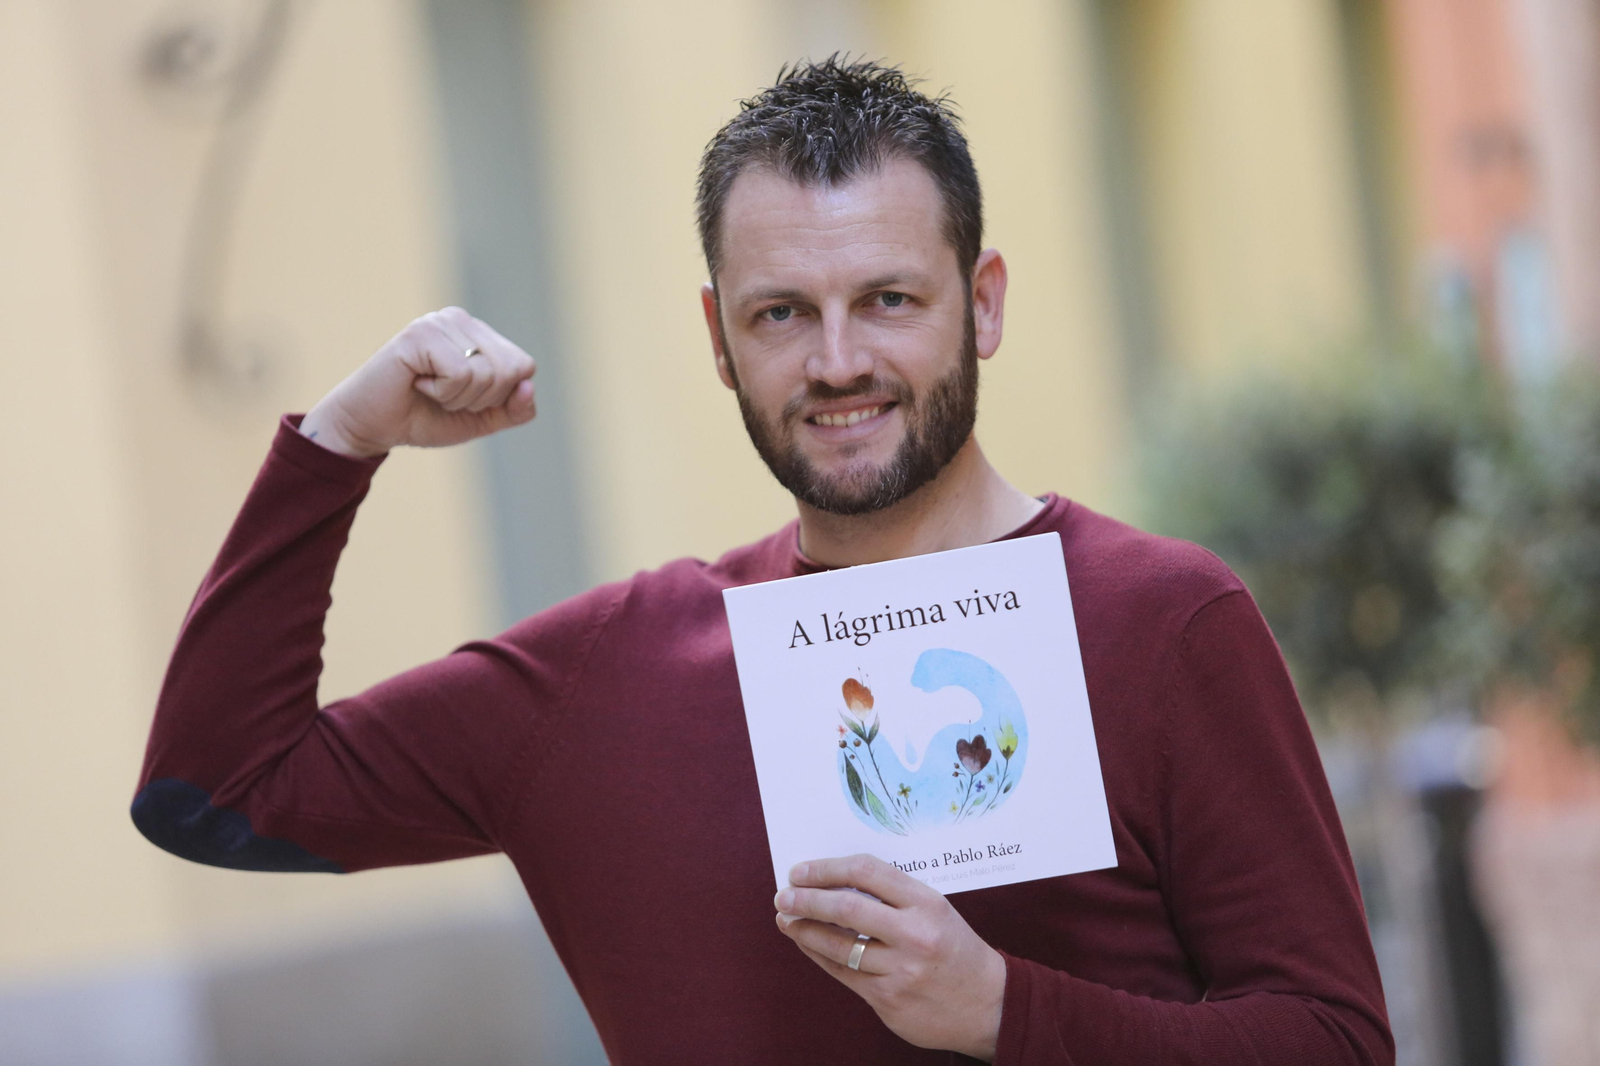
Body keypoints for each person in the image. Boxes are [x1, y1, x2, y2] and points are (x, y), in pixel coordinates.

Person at [133, 57, 1393, 1064]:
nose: (837, 359)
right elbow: (216, 787)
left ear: (985, 300)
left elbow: (1335, 1041)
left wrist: (1006, 1010)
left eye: (889, 300)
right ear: (720, 340)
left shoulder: (1164, 623)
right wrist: (342, 441)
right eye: (781, 313)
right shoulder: (610, 673)